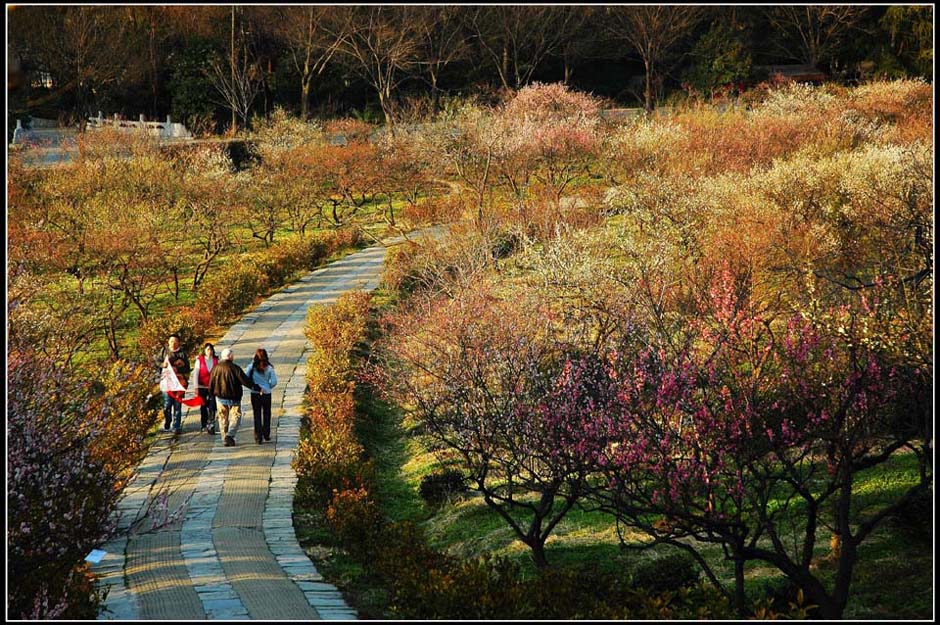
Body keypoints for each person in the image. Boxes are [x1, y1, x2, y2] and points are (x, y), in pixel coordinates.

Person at [209, 347, 260, 447]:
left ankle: (225, 438)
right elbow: (245, 381)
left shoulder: (216, 368)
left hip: (220, 397)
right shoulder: (235, 368)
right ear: (230, 356)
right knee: (236, 417)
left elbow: (211, 383)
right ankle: (230, 435)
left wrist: (210, 394)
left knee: (222, 418)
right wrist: (256, 387)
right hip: (234, 397)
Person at [159, 334, 191, 434]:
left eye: (175, 341)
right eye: (171, 341)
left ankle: (176, 426)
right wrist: (162, 365)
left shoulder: (182, 354)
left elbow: (187, 368)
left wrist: (177, 369)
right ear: (168, 342)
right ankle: (168, 421)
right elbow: (156, 362)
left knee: (178, 405)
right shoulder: (164, 351)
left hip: (179, 383)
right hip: (167, 383)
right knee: (167, 405)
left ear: (179, 343)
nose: (173, 343)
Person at [246, 348, 278, 444]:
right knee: (267, 414)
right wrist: (268, 387)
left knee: (257, 414)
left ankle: (258, 436)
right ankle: (266, 434)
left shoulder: (251, 367)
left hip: (255, 393)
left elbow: (246, 377)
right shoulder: (269, 368)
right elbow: (274, 382)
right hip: (266, 393)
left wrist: (254, 386)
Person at [192, 342, 219, 435]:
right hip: (201, 386)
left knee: (212, 405)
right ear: (204, 350)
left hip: (212, 387)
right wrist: (195, 387)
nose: (209, 352)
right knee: (203, 406)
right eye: (208, 349)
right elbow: (195, 374)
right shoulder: (200, 360)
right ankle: (204, 423)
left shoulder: (216, 360)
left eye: (211, 349)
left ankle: (211, 423)